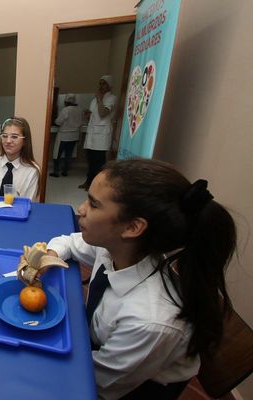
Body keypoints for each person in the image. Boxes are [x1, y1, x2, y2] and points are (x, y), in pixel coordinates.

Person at [46, 158, 237, 399]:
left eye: (94, 204)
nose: (81, 209)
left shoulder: (149, 320)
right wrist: (49, 256)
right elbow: (70, 243)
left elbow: (95, 384)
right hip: (97, 352)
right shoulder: (116, 247)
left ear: (133, 227)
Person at [0, 117, 40, 200]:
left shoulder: (32, 170)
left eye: (14, 137)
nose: (8, 141)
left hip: (19, 212)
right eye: (4, 136)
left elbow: (28, 203)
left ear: (25, 141)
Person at [79, 75, 117, 190]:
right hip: (92, 133)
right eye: (100, 84)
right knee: (90, 160)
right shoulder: (94, 100)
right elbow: (94, 116)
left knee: (98, 162)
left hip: (102, 135)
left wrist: (100, 99)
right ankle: (88, 181)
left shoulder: (112, 98)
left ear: (110, 85)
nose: (101, 86)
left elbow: (103, 114)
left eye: (104, 83)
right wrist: (88, 115)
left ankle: (96, 186)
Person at [51, 93, 82, 177]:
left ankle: (56, 172)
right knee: (69, 154)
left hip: (64, 135)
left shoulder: (66, 110)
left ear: (66, 102)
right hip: (74, 136)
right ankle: (65, 171)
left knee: (57, 154)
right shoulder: (79, 110)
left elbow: (58, 122)